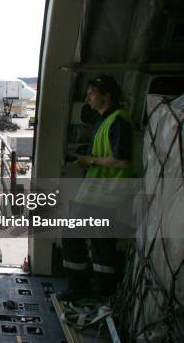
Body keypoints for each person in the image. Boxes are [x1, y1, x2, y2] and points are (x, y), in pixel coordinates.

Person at [59, 75, 134, 301]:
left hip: (103, 195)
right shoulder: (106, 119)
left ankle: (79, 288)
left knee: (73, 235)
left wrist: (89, 161)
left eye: (91, 93)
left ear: (106, 96)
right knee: (102, 244)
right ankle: (103, 291)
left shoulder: (119, 121)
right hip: (100, 195)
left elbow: (121, 160)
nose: (87, 98)